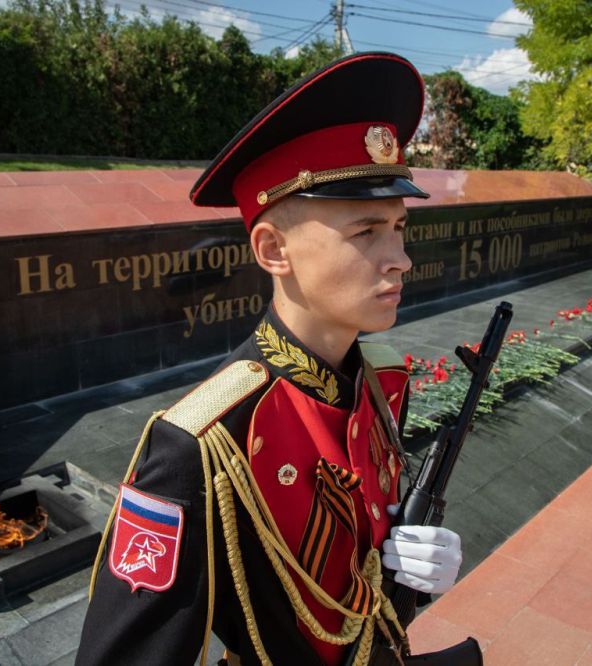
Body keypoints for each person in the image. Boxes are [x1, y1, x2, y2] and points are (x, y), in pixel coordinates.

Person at [76, 52, 463, 666]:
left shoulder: (382, 383)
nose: (400, 259)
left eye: (399, 228)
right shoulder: (200, 443)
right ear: (272, 248)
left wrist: (407, 571)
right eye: (366, 233)